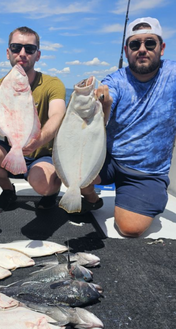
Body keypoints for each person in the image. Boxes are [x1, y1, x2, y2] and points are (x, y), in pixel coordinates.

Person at [81, 17, 176, 237]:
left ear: (161, 48)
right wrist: (103, 103)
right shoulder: (115, 80)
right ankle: (93, 200)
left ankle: (142, 195)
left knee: (129, 228)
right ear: (126, 51)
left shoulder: (172, 74)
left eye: (149, 43)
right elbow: (102, 116)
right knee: (70, 170)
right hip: (110, 159)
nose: (142, 49)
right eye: (135, 44)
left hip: (148, 172)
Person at [0, 26, 66, 213]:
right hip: (12, 147)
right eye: (16, 47)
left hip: (41, 152)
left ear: (38, 55)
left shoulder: (53, 83)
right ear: (8, 52)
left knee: (42, 184)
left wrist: (38, 140)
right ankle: (8, 191)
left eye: (30, 49)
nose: (22, 53)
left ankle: (51, 192)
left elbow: (58, 115)